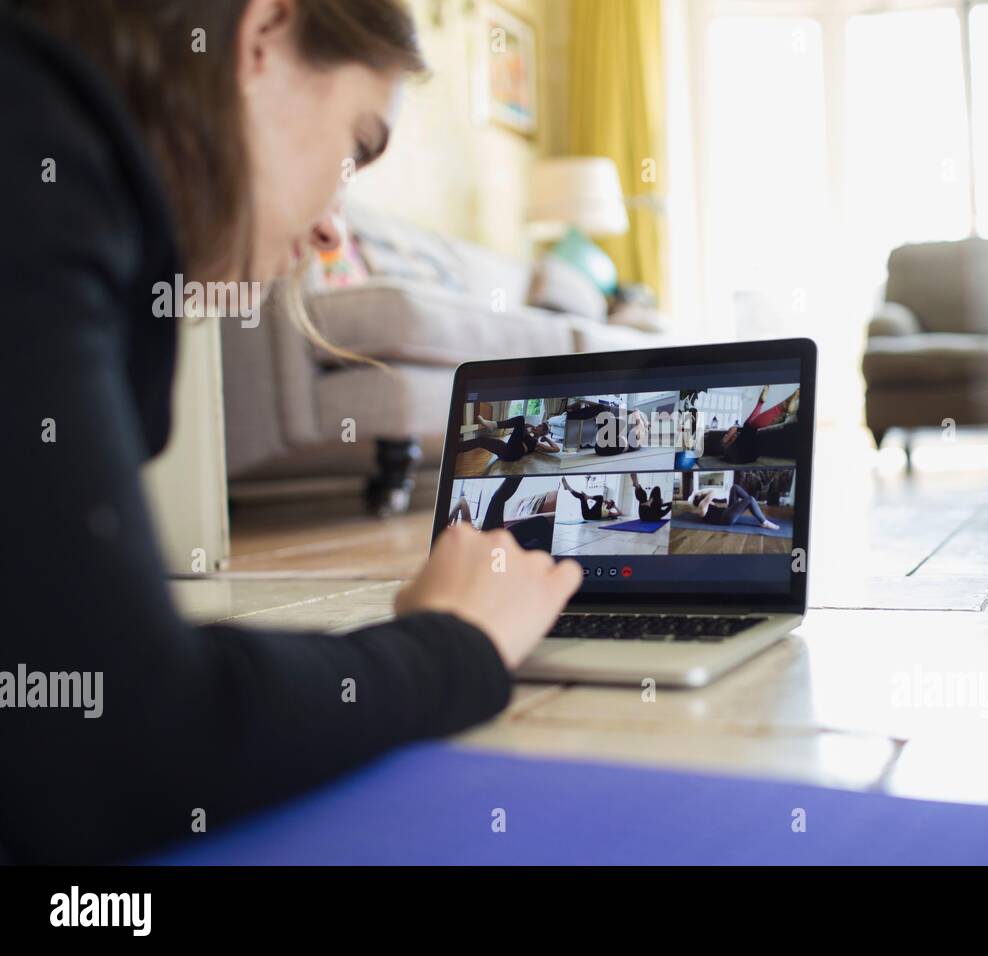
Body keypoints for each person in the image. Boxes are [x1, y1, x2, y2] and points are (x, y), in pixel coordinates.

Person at [0, 0, 580, 864]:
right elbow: (114, 737)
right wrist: (456, 645)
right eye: (356, 146)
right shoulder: (36, 136)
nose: (329, 229)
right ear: (264, 37)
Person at [720, 386, 801, 464]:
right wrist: (733, 431)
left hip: (746, 455)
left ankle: (765, 404)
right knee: (749, 427)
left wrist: (734, 434)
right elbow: (733, 430)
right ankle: (778, 407)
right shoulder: (726, 446)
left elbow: (733, 433)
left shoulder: (728, 446)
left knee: (749, 426)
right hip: (740, 455)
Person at [459, 414, 560, 463]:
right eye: (538, 425)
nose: (536, 426)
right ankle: (455, 449)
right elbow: (520, 429)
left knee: (520, 418)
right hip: (507, 450)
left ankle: (493, 425)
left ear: (542, 433)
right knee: (481, 441)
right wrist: (528, 426)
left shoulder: (537, 444)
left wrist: (546, 439)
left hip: (513, 453)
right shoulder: (527, 434)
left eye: (539, 427)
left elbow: (556, 449)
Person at [690, 486, 781, 531]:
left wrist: (700, 493)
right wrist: (701, 492)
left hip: (727, 512)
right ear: (700, 499)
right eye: (700, 495)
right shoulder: (702, 507)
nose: (702, 494)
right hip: (726, 518)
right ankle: (764, 522)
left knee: (735, 487)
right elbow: (712, 492)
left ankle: (753, 505)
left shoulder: (707, 503)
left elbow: (715, 501)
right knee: (750, 499)